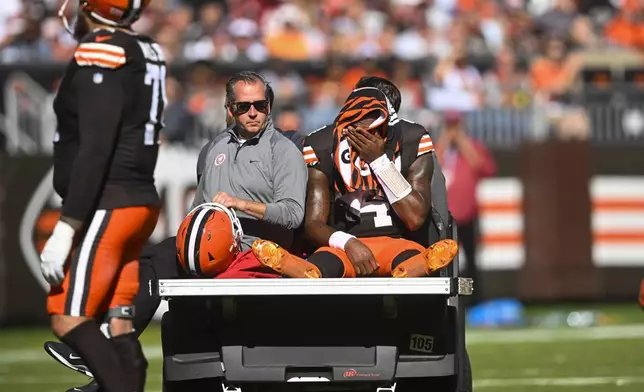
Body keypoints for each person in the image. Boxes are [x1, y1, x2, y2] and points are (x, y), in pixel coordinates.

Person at [44, 71, 308, 391]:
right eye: (243, 106)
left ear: (270, 106)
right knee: (143, 256)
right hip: (214, 247)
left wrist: (241, 204)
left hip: (256, 251)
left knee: (162, 253)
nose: (253, 113)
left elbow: (293, 216)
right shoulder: (213, 149)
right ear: (228, 109)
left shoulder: (283, 151)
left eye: (260, 105)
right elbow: (198, 210)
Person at [39, 1, 165, 392]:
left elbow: (96, 144)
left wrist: (66, 226)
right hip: (138, 197)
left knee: (67, 317)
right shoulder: (145, 49)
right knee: (119, 323)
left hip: (111, 201)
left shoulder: (103, 48)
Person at [252, 86, 458, 278]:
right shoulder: (323, 144)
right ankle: (295, 266)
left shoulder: (411, 139)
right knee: (321, 267)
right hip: (344, 247)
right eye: (358, 132)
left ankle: (419, 263)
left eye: (376, 129)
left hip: (397, 241)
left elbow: (415, 218)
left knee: (410, 260)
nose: (368, 136)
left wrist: (379, 162)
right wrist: (347, 242)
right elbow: (314, 223)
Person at [435, 111, 497, 305]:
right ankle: (444, 299)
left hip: (468, 213)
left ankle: (475, 300)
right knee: (442, 260)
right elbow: (431, 166)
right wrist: (445, 141)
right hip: (444, 216)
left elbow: (483, 167)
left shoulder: (472, 148)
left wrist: (463, 142)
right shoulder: (439, 148)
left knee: (472, 259)